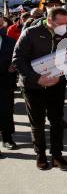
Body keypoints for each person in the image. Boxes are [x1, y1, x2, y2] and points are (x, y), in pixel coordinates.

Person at [13, 7, 67, 171]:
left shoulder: (64, 34)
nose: (64, 26)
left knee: (57, 122)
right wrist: (38, 79)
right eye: (61, 23)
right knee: (37, 123)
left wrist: (60, 74)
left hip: (56, 85)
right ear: (50, 20)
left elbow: (66, 57)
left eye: (66, 23)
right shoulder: (31, 33)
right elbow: (17, 60)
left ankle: (57, 156)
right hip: (33, 86)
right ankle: (40, 156)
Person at [0, 14, 18, 154]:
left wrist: (14, 66)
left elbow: (17, 59)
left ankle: (7, 138)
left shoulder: (11, 42)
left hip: (5, 82)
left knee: (6, 111)